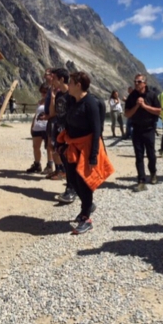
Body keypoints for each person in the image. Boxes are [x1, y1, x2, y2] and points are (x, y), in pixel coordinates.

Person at [57, 71, 114, 234]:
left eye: (71, 82)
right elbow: (69, 122)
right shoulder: (72, 100)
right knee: (73, 180)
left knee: (83, 181)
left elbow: (97, 130)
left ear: (78, 85)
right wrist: (63, 142)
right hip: (74, 146)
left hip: (87, 146)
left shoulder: (91, 103)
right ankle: (88, 205)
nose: (68, 85)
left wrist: (94, 154)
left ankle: (86, 217)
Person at [124, 74, 161, 192]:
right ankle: (141, 181)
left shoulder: (152, 95)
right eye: (135, 81)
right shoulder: (132, 96)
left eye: (139, 82)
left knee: (151, 154)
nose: (136, 84)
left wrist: (144, 106)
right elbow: (127, 114)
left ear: (144, 83)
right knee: (139, 156)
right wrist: (136, 106)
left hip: (149, 129)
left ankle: (153, 173)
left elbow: (159, 111)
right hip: (137, 130)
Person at [50, 68, 75, 200]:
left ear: (61, 79)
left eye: (54, 78)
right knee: (64, 160)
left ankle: (71, 189)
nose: (52, 81)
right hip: (59, 131)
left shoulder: (72, 95)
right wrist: (53, 98)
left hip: (69, 133)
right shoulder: (59, 95)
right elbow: (54, 113)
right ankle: (71, 186)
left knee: (70, 160)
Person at [26, 83, 49, 173]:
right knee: (36, 146)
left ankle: (49, 165)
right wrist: (32, 125)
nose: (43, 94)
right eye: (42, 92)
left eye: (45, 92)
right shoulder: (39, 102)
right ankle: (37, 164)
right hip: (37, 126)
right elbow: (36, 115)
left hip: (46, 126)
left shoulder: (51, 102)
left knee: (49, 147)